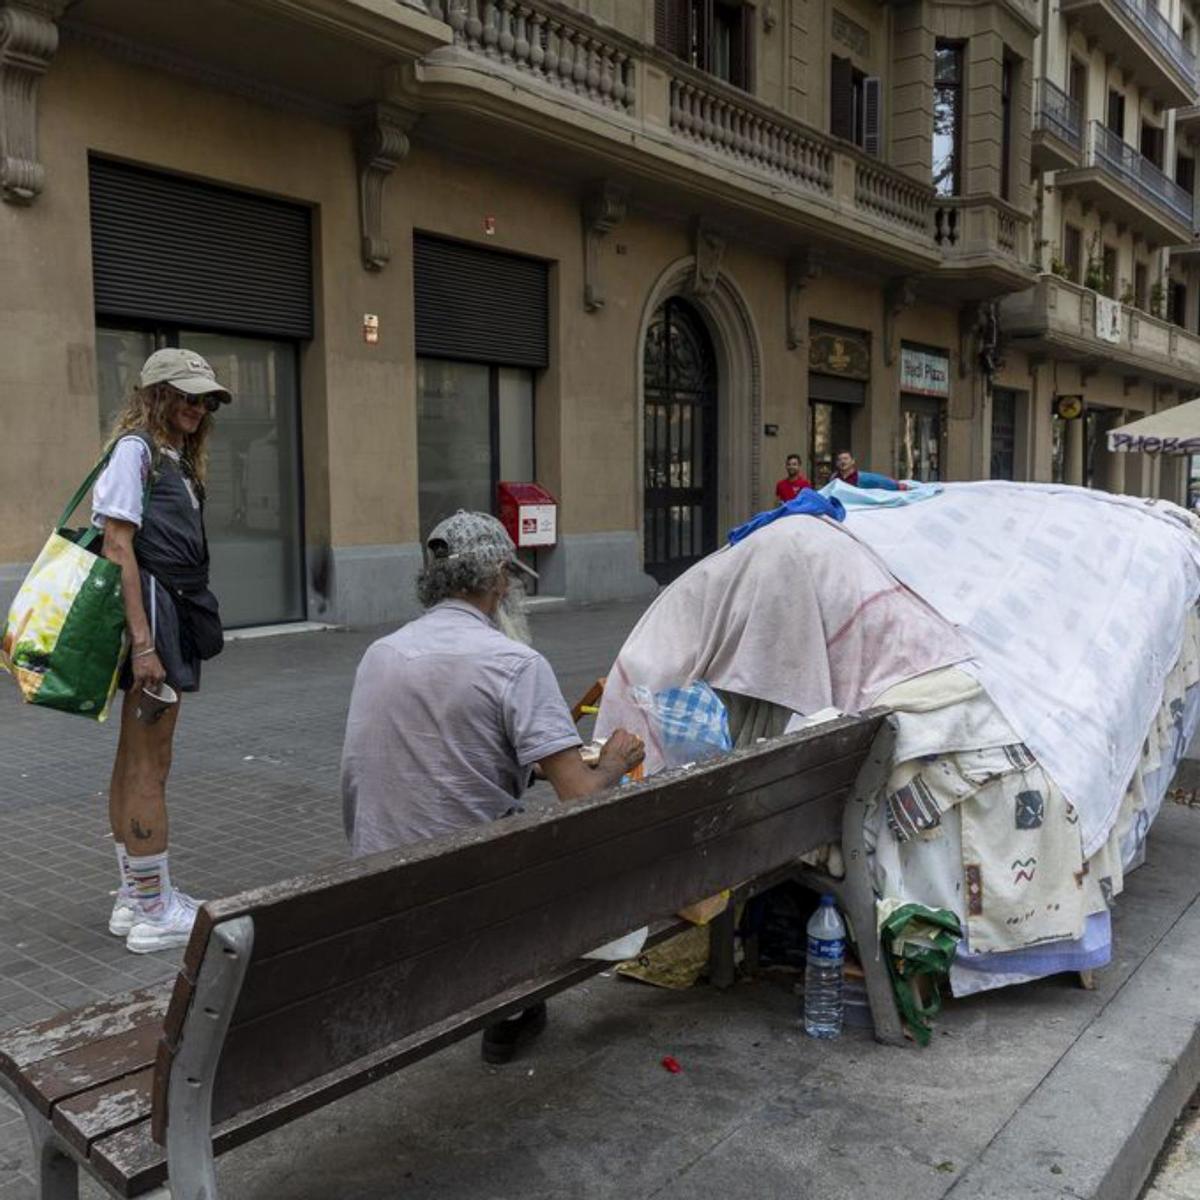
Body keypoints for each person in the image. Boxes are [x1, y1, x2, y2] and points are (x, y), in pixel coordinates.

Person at [341, 510, 645, 1063]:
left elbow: (423, 762)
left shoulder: (379, 653)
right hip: (466, 901)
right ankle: (510, 1009)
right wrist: (619, 760)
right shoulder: (514, 662)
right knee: (605, 847)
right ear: (500, 578)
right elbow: (578, 796)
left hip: (376, 885)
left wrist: (525, 760)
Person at [94, 349, 231, 953]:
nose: (196, 408)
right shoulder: (137, 451)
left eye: (203, 399)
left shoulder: (167, 456)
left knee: (134, 755)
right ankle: (153, 910)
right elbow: (117, 547)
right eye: (184, 395)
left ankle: (134, 896)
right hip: (156, 615)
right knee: (151, 759)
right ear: (154, 394)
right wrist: (145, 643)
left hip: (164, 610)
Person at [834, 450, 904, 491]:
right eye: (839, 460)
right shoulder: (834, 478)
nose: (842, 461)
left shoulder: (862, 477)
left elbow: (880, 481)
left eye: (845, 459)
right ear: (837, 463)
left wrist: (897, 485)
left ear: (853, 461)